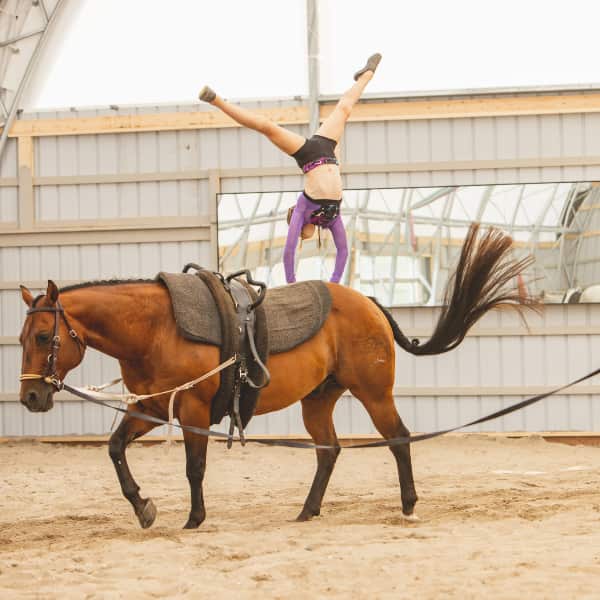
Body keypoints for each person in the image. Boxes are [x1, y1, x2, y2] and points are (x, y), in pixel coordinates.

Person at [199, 53, 382, 284]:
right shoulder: (331, 219)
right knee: (345, 110)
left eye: (302, 236)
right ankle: (367, 75)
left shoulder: (302, 209)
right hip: (327, 150)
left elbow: (288, 252)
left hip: (309, 155)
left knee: (268, 127)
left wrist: (291, 283)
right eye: (306, 237)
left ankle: (216, 100)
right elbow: (343, 252)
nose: (303, 238)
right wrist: (335, 283)